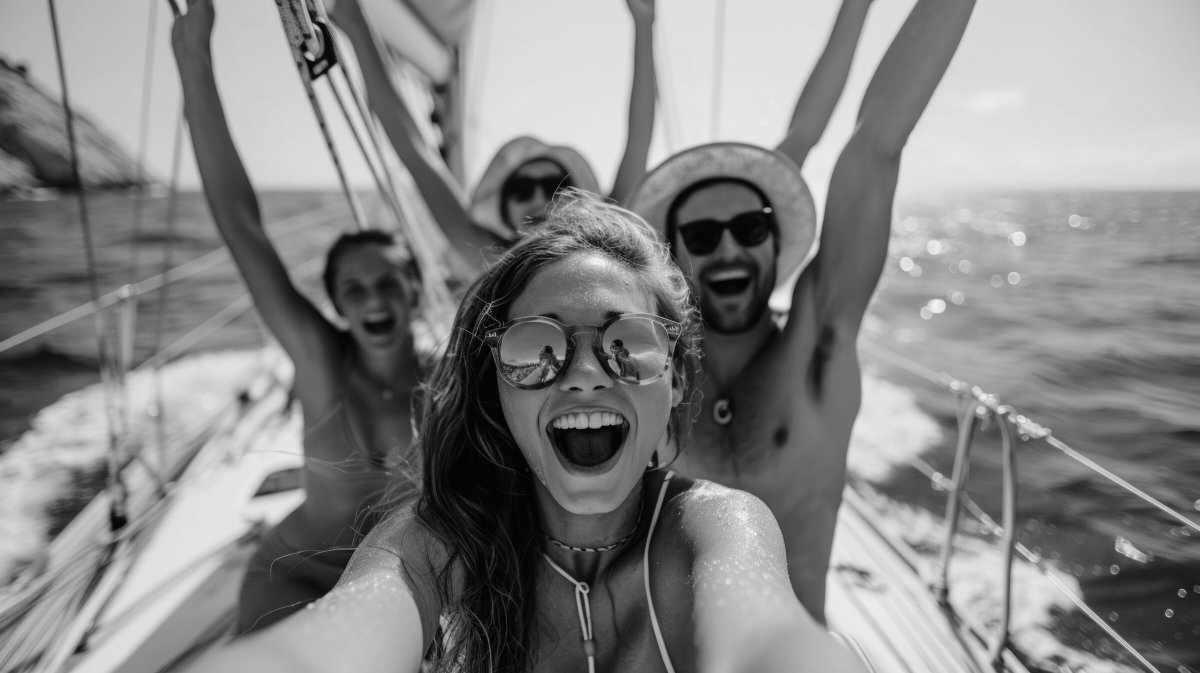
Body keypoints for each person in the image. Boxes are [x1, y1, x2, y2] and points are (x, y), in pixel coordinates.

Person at [178, 192, 869, 673]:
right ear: (496, 387)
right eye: (536, 348)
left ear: (678, 378)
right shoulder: (438, 540)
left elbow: (765, 637)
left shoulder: (715, 527)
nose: (586, 375)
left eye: (629, 343)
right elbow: (343, 635)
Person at [629, 0, 977, 623]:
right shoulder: (652, 369)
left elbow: (877, 144)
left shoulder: (819, 339)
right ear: (673, 257)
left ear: (775, 242)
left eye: (749, 228)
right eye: (703, 236)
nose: (729, 249)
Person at [173, 0, 425, 632]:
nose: (373, 300)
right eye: (354, 289)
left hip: (397, 584)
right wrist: (193, 57)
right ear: (336, 304)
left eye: (388, 283)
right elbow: (241, 227)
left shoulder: (448, 377)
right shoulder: (320, 359)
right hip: (296, 572)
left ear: (416, 290)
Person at [329, 0, 657, 258]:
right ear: (503, 208)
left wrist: (644, 23)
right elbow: (414, 153)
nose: (540, 199)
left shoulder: (608, 246)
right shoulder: (487, 262)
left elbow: (639, 142)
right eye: (521, 190)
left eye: (557, 187)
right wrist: (357, 27)